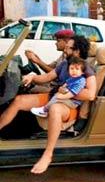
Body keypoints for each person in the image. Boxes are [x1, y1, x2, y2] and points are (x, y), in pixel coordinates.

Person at [0, 35, 96, 174]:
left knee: (55, 109)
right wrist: (31, 77)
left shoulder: (86, 69)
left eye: (69, 48)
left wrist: (66, 91)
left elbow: (91, 94)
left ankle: (48, 154)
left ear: (77, 51)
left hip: (69, 105)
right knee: (19, 100)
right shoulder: (64, 64)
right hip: (54, 97)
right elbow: (46, 78)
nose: (65, 50)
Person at [23, 29, 75, 93]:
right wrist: (36, 58)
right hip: (52, 83)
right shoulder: (63, 56)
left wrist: (37, 61)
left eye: (58, 41)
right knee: (28, 83)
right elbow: (50, 67)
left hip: (57, 87)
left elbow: (54, 74)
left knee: (30, 89)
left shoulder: (70, 59)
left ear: (67, 42)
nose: (56, 43)